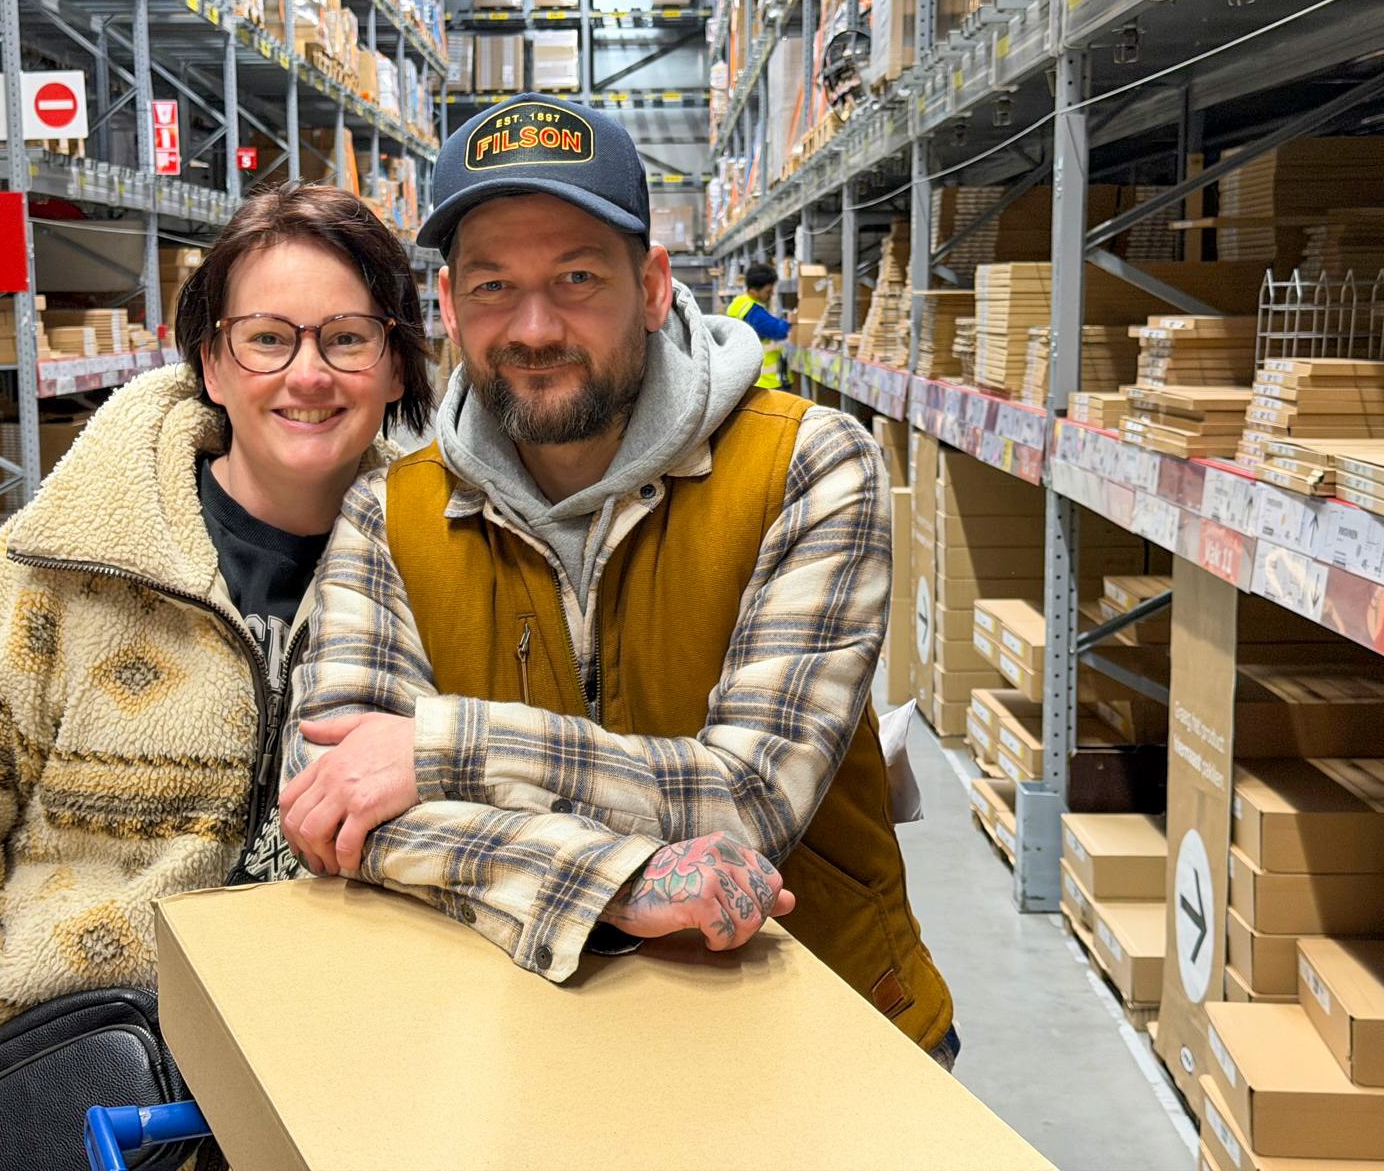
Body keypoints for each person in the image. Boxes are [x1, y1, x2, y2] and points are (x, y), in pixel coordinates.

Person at [277, 94, 958, 1065]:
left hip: (830, 1034)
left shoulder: (806, 464)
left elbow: (749, 801)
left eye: (576, 277)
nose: (534, 325)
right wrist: (616, 882)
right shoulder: (388, 514)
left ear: (649, 285)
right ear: (447, 307)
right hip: (540, 1037)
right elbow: (330, 799)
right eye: (493, 287)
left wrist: (439, 749)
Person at [0, 182, 436, 1168]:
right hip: (88, 1094)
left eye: (346, 338)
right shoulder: (58, 569)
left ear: (395, 363)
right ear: (213, 361)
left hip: (350, 1097)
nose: (308, 374)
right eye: (269, 338)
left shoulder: (452, 568)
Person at [727, 262, 794, 389]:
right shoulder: (753, 312)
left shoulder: (740, 303)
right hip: (764, 381)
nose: (772, 294)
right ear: (753, 291)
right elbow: (778, 330)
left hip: (751, 377)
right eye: (768, 291)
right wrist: (793, 319)